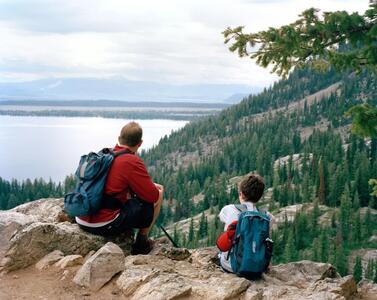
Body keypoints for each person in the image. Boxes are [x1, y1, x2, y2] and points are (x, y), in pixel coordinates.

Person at [76, 121, 164, 255]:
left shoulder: (103, 155)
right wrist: (151, 188)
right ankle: (141, 243)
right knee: (158, 192)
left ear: (119, 139)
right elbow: (152, 197)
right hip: (103, 224)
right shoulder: (131, 161)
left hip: (81, 217)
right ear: (140, 143)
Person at [217, 174, 273, 273]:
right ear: (259, 197)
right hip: (258, 267)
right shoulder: (267, 216)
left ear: (242, 194)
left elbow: (221, 217)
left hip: (232, 265)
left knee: (222, 252)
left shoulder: (229, 209)